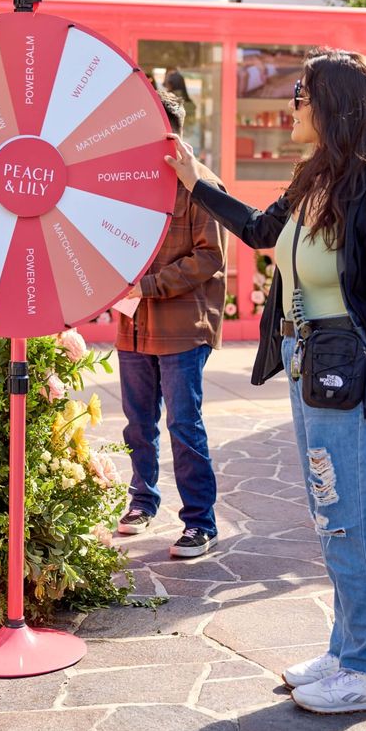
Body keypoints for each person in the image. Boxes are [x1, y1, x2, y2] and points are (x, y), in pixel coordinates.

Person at [165, 47, 366, 714]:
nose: (293, 105)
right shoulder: (318, 179)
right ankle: (347, 649)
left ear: (333, 106)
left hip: (355, 379)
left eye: (302, 94)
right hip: (310, 369)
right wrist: (196, 179)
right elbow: (259, 231)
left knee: (351, 525)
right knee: (329, 516)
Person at [116, 90, 227, 558]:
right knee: (137, 423)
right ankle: (143, 503)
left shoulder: (204, 185)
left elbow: (210, 258)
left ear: (172, 133)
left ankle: (201, 522)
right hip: (133, 323)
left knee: (184, 424)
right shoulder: (128, 184)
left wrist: (148, 285)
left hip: (183, 325)